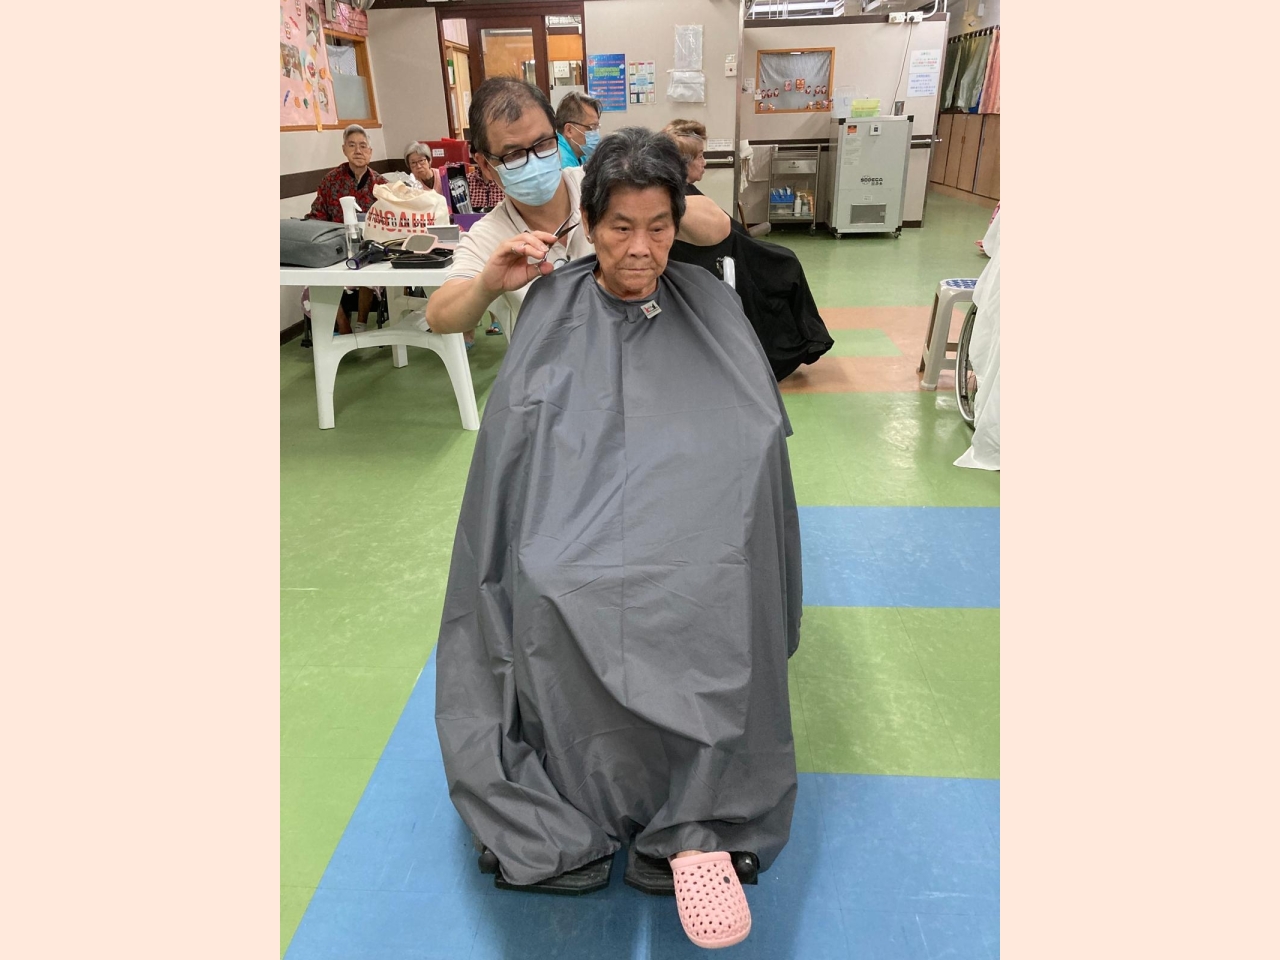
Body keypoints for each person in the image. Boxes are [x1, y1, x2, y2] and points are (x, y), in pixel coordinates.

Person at [435, 127, 802, 951]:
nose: (640, 249)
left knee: (718, 579)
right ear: (589, 225)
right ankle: (576, 797)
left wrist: (671, 197)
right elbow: (516, 455)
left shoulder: (705, 301)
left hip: (696, 511)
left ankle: (697, 813)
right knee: (550, 578)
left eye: (658, 227)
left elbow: (752, 436)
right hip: (568, 514)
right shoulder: (548, 302)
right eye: (620, 228)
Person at [425, 78, 731, 339]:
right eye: (514, 154)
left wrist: (651, 212)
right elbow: (439, 316)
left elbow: (718, 227)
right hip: (554, 376)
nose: (534, 160)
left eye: (543, 144)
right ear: (484, 165)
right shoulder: (491, 236)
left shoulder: (601, 184)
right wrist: (486, 287)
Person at [662, 119, 834, 380]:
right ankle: (800, 343)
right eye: (700, 156)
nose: (705, 162)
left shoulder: (683, 192)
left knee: (786, 261)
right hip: (728, 259)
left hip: (736, 249)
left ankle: (807, 338)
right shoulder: (679, 199)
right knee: (787, 265)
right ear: (683, 163)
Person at [305, 124, 386, 335]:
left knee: (368, 272)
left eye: (363, 146)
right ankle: (344, 328)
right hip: (335, 248)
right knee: (314, 282)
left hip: (369, 248)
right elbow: (317, 215)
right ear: (344, 149)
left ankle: (361, 324)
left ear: (370, 152)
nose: (358, 151)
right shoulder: (330, 181)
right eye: (352, 145)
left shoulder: (380, 184)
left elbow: (389, 220)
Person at [554, 91, 602, 168]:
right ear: (569, 130)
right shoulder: (564, 164)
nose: (596, 134)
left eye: (596, 127)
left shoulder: (579, 153)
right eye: (592, 127)